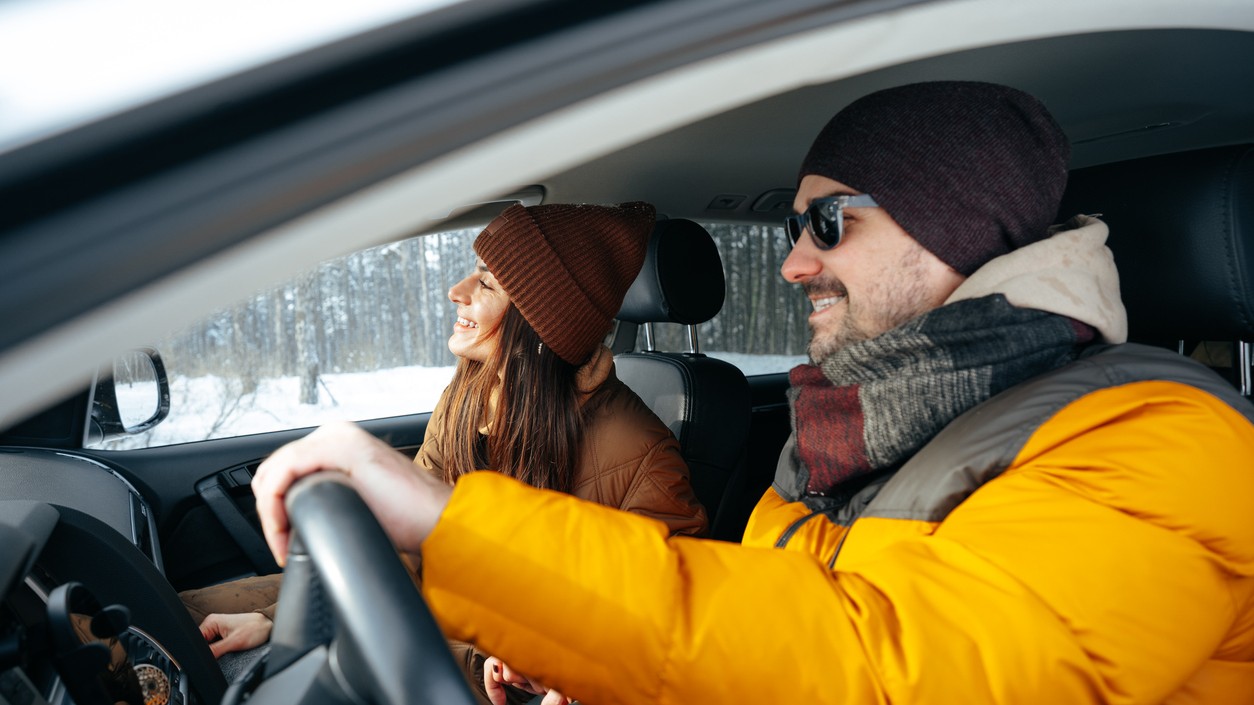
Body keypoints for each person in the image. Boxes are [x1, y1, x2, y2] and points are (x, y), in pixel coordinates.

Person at [251, 82, 1254, 704]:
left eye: (830, 224)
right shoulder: (842, 434)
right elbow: (764, 643)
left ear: (954, 224)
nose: (792, 268)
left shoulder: (1167, 442)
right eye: (791, 229)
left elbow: (886, 672)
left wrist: (445, 521)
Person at [181, 201, 708, 705]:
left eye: (486, 283)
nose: (456, 291)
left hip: (492, 671)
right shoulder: (468, 393)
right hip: (421, 613)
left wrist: (542, 666)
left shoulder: (646, 456)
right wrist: (281, 618)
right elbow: (404, 546)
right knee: (175, 617)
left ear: (540, 320)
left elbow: (662, 630)